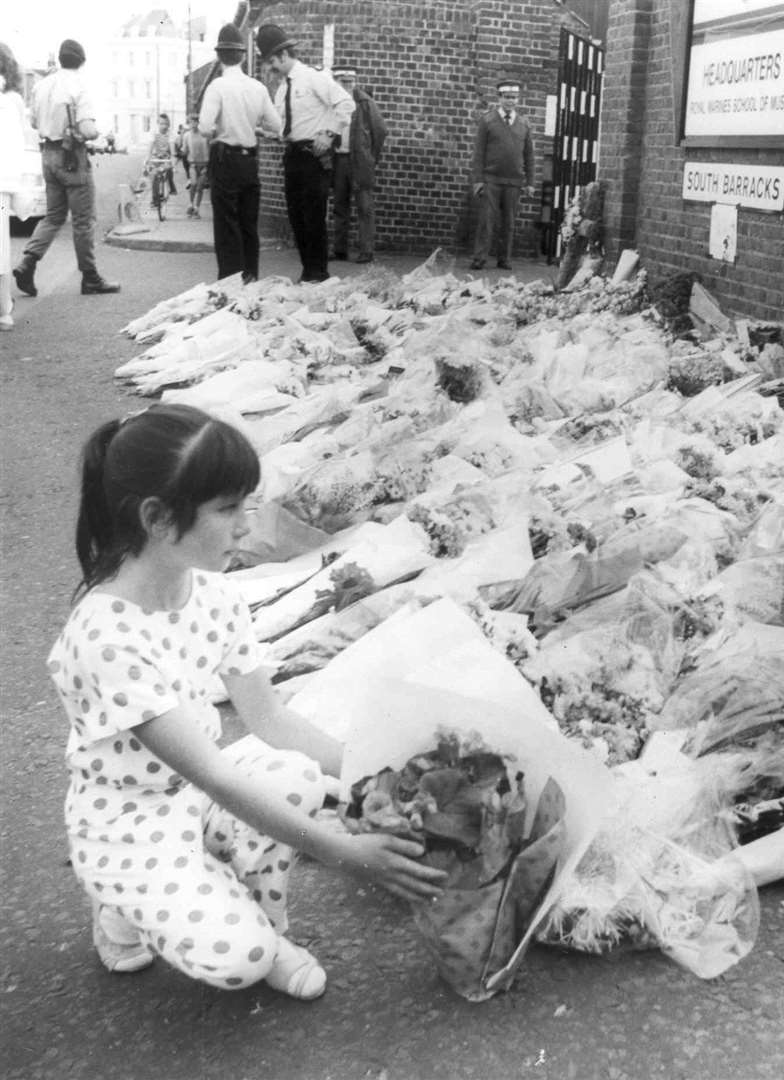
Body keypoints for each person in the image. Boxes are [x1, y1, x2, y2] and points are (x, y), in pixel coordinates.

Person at [49, 403, 446, 998]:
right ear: (157, 518)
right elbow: (216, 776)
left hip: (193, 793)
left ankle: (258, 923)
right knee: (239, 961)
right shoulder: (104, 639)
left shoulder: (215, 595)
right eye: (228, 509)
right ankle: (124, 906)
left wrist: (387, 777)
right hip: (128, 820)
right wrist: (345, 851)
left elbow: (271, 719)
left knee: (300, 773)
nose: (246, 526)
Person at [11, 38, 119, 297]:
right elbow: (87, 129)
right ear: (81, 61)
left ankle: (28, 262)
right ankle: (90, 277)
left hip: (48, 153)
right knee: (83, 220)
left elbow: (35, 122)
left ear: (61, 59)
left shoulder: (42, 85)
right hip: (72, 157)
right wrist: (99, 134)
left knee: (53, 215)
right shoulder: (79, 86)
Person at [257, 23, 352, 284]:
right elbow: (285, 129)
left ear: (284, 55)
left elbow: (345, 103)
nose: (270, 68)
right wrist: (264, 132)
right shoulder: (282, 88)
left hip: (313, 157)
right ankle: (308, 271)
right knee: (296, 217)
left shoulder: (313, 78)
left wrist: (329, 133)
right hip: (293, 156)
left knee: (313, 217)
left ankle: (318, 274)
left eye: (272, 62)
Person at [198, 23, 281, 284]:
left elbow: (204, 128)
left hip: (225, 159)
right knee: (248, 223)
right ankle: (250, 279)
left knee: (226, 225)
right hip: (249, 162)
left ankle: (229, 283)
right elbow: (276, 126)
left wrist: (221, 128)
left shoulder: (217, 87)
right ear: (243, 56)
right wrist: (252, 127)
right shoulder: (257, 88)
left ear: (220, 56)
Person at [470, 80, 534, 272]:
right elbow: (478, 153)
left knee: (509, 223)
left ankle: (504, 259)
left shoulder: (524, 124)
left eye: (513, 98)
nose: (510, 102)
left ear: (518, 99)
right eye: (506, 97)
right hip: (491, 181)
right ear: (499, 98)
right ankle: (479, 258)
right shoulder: (487, 121)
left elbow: (529, 155)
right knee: (486, 222)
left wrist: (530, 182)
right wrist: (478, 181)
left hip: (513, 182)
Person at [330, 68, 388, 264]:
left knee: (364, 206)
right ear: (335, 81)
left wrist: (371, 157)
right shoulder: (331, 102)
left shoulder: (364, 102)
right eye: (342, 80)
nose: (346, 84)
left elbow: (380, 131)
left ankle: (366, 251)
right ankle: (339, 250)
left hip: (360, 162)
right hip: (339, 159)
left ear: (355, 81)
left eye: (350, 80)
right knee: (339, 206)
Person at [0, 41, 26, 330]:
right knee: (0, 248)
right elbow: (19, 142)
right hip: (2, 182)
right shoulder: (12, 101)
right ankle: (3, 309)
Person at [143, 113, 176, 214]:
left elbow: (172, 148)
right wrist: (148, 158)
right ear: (158, 124)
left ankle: (171, 186)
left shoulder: (170, 134)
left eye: (166, 124)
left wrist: (173, 158)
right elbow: (150, 146)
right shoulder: (153, 133)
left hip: (166, 158)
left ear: (168, 125)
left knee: (170, 169)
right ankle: (154, 200)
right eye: (161, 124)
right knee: (153, 175)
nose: (164, 126)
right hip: (155, 158)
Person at [183, 113, 209, 218]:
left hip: (204, 165)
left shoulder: (204, 135)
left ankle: (197, 208)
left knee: (200, 187)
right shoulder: (187, 136)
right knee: (193, 184)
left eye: (196, 121)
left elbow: (210, 150)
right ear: (188, 123)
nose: (193, 124)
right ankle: (190, 205)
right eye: (191, 122)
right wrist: (179, 151)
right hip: (193, 165)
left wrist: (208, 165)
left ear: (199, 123)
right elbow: (184, 150)